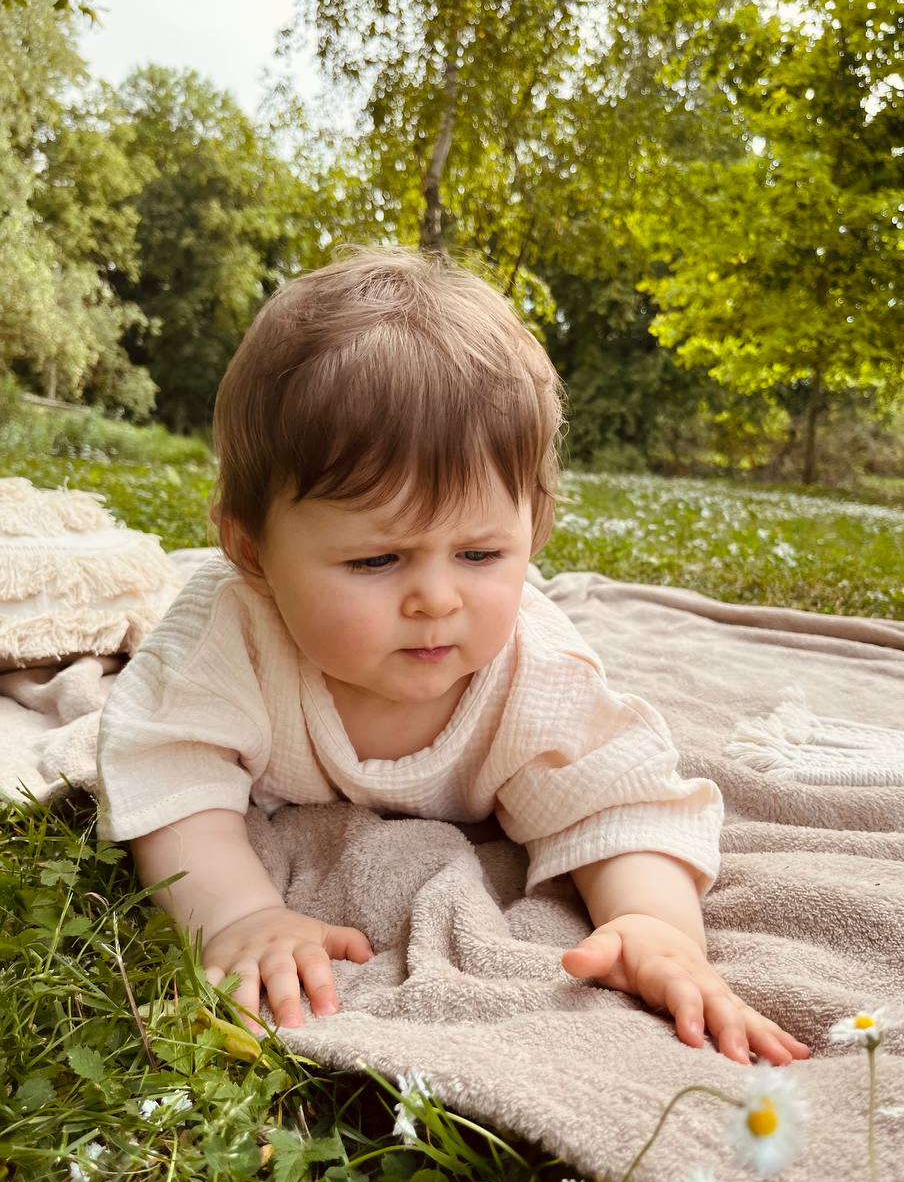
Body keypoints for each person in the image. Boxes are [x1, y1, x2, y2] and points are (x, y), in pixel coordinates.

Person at [96, 245, 809, 1068]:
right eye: (375, 561)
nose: (438, 599)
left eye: (480, 555)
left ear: (534, 531)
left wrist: (655, 925)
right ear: (252, 551)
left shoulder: (534, 674)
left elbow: (621, 802)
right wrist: (238, 915)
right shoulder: (230, 636)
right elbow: (168, 773)